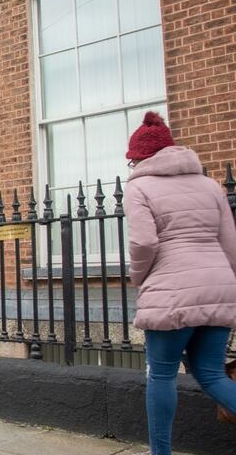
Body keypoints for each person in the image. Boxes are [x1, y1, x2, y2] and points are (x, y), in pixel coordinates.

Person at [122, 111, 236, 455]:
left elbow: (144, 243)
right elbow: (230, 244)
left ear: (141, 157)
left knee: (162, 375)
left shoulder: (138, 186)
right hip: (219, 287)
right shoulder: (209, 185)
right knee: (212, 373)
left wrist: (140, 277)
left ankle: (160, 452)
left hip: (171, 292)